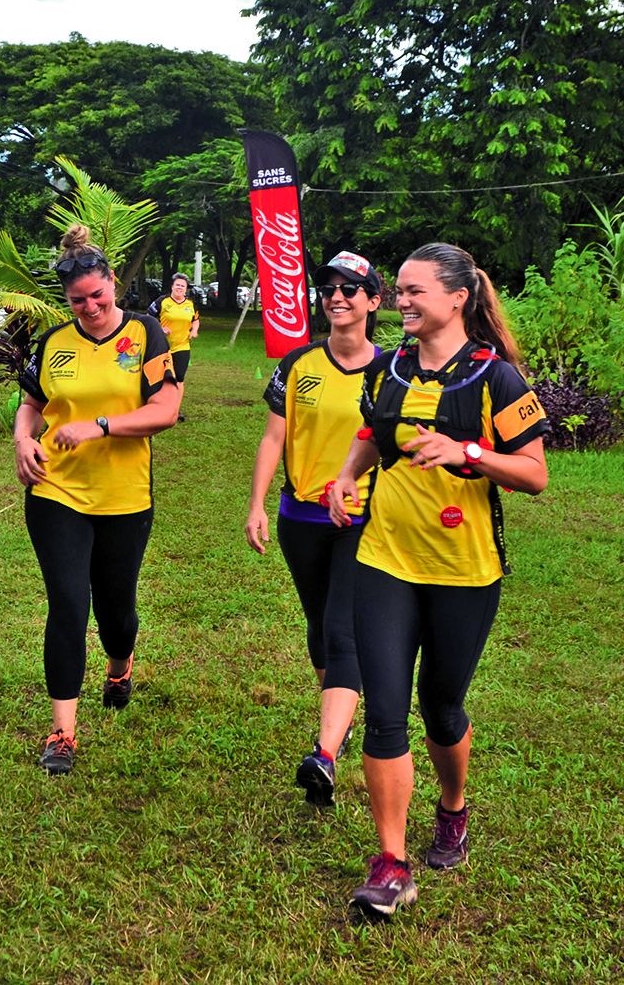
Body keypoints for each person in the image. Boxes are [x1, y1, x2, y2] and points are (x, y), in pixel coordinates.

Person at [326, 243, 548, 918]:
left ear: (457, 297)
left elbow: (534, 473)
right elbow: (374, 431)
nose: (401, 300)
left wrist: (468, 452)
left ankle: (451, 806)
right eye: (398, 290)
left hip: (464, 571)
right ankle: (391, 864)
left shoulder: (495, 378)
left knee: (441, 706)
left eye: (414, 290)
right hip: (384, 559)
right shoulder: (388, 366)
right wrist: (346, 473)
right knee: (385, 709)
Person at [15, 226, 181, 775]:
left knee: (116, 610)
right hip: (55, 491)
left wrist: (100, 426)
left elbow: (165, 411)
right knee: (67, 604)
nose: (89, 307)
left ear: (114, 284)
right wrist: (22, 440)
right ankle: (63, 732)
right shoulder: (54, 342)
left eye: (98, 295)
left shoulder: (146, 334)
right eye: (78, 299)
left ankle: (120, 662)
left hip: (123, 498)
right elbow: (32, 403)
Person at [245, 250, 386, 807]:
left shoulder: (391, 368)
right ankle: (343, 708)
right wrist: (256, 504)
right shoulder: (298, 363)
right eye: (328, 288)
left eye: (351, 289)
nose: (337, 297)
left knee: (342, 625)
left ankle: (324, 753)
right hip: (298, 517)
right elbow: (274, 438)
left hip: (362, 519)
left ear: (374, 301)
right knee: (318, 625)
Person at [150, 274, 203, 417]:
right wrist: (160, 329)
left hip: (182, 346)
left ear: (186, 289)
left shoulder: (190, 304)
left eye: (183, 286)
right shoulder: (162, 301)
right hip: (162, 346)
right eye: (177, 285)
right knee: (160, 378)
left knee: (179, 378)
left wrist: (194, 330)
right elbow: (148, 318)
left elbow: (196, 319)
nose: (180, 288)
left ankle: (175, 410)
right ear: (172, 286)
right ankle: (157, 406)